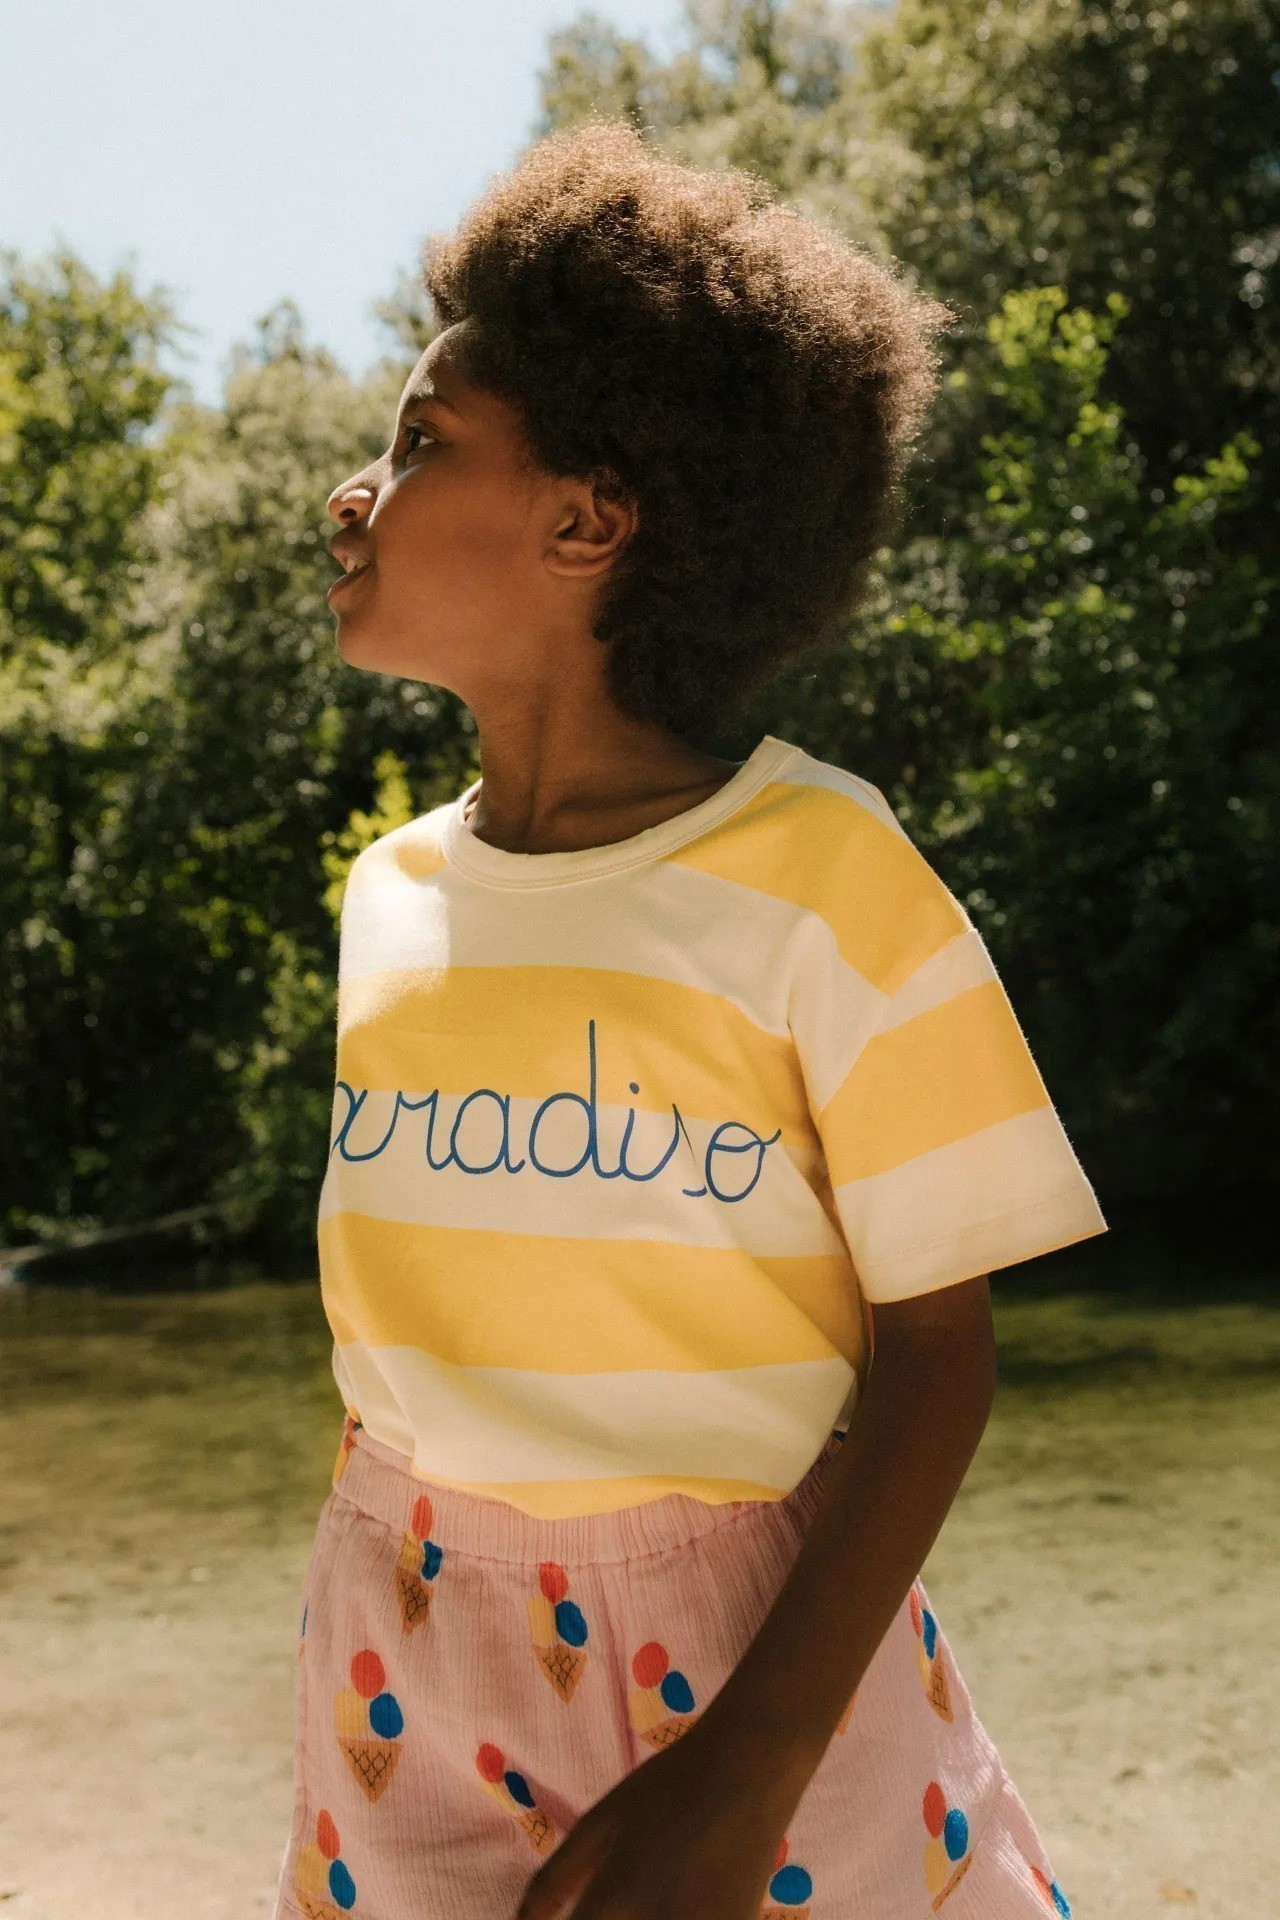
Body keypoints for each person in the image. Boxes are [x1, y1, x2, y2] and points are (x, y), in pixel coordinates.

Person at [272, 118, 1103, 1920]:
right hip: (400, 1632)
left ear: (589, 521)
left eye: (419, 443)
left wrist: (752, 1761)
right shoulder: (389, 894)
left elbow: (939, 1353)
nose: (353, 492)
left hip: (759, 1657)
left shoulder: (828, 873)